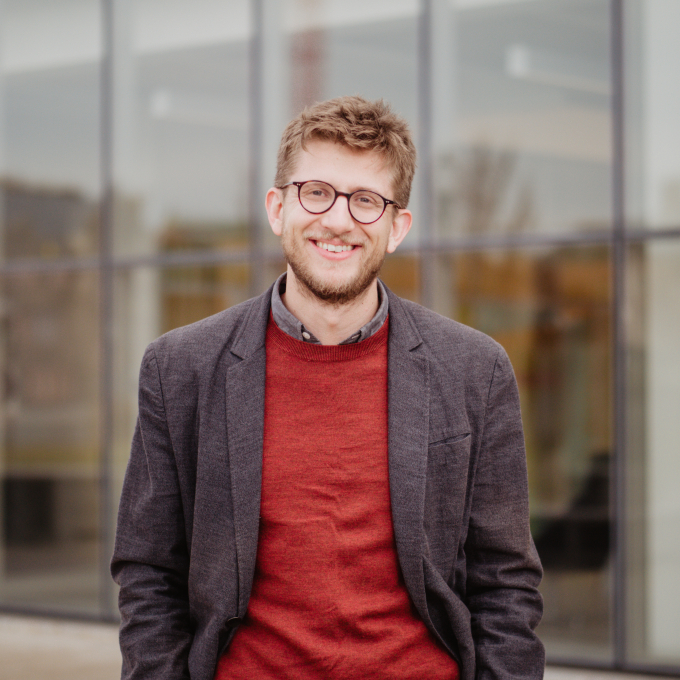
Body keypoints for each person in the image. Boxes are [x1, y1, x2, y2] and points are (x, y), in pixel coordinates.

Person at [111, 95, 544, 680]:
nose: (338, 220)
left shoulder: (474, 370)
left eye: (366, 201)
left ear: (396, 228)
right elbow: (148, 573)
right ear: (277, 207)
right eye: (317, 191)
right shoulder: (180, 368)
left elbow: (506, 582)